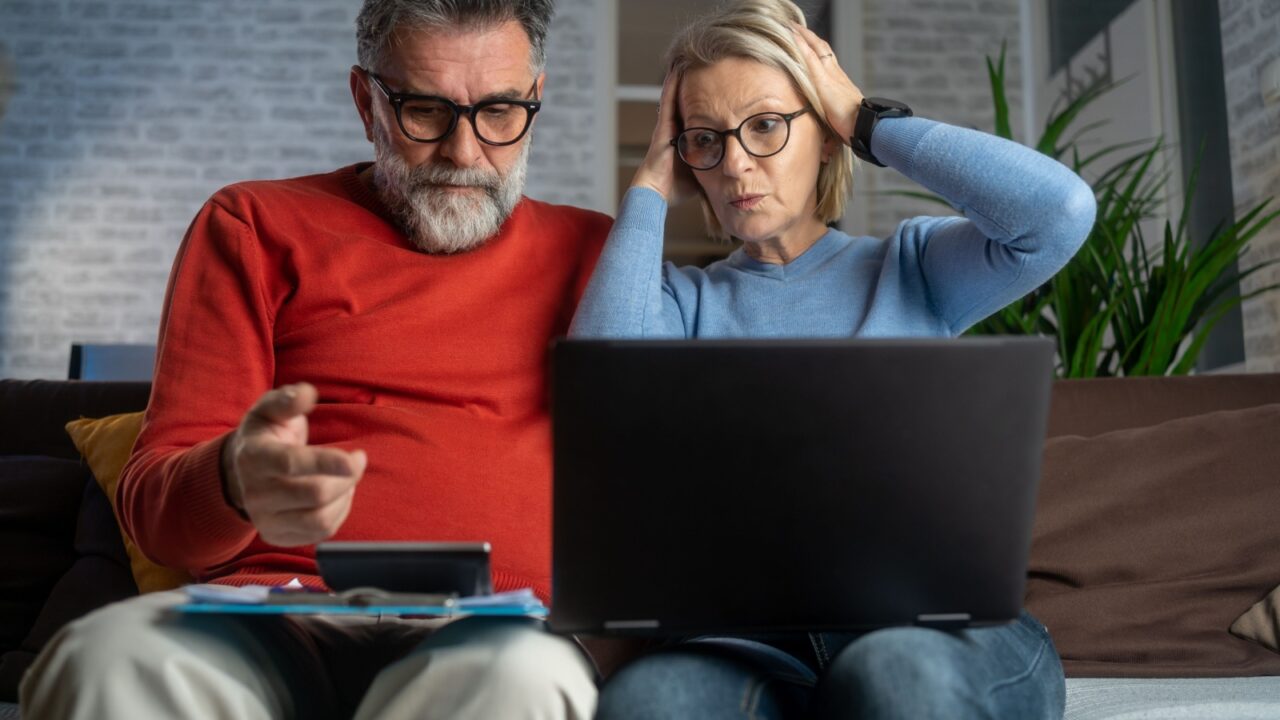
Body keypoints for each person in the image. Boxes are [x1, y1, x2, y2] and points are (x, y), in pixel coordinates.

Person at [19, 1, 613, 719]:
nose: (464, 151)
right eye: (424, 111)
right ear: (366, 102)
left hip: (500, 630)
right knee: (104, 659)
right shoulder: (251, 225)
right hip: (271, 620)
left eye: (499, 112)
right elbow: (157, 515)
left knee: (524, 679)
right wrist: (234, 480)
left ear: (536, 98)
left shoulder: (600, 256)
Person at [570, 0, 1096, 717]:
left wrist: (865, 118)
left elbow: (1058, 213)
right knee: (648, 698)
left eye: (765, 126)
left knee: (891, 671)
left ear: (823, 135)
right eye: (704, 139)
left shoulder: (914, 268)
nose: (735, 164)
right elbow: (603, 387)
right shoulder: (681, 304)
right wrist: (650, 181)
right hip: (753, 643)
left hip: (936, 631)